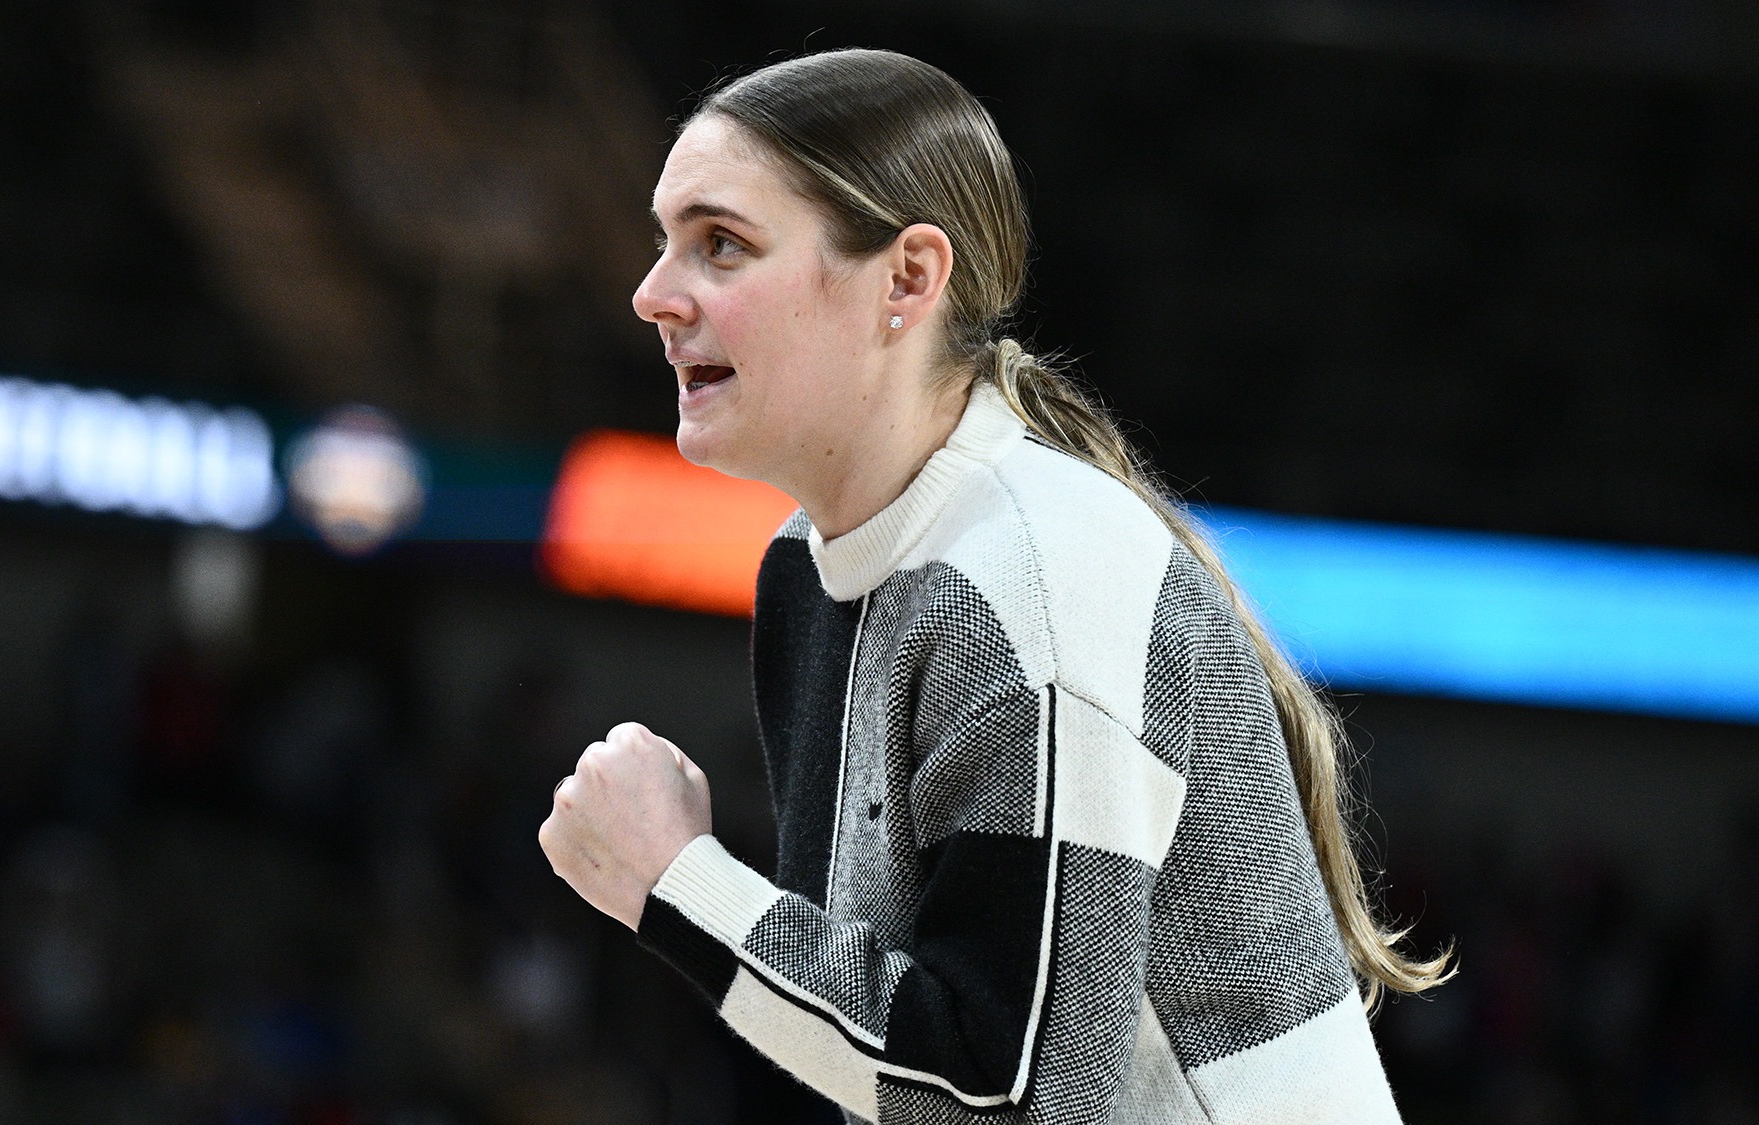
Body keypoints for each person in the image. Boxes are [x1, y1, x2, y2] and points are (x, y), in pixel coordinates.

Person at [536, 47, 1451, 1124]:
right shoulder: (810, 568)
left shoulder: (1038, 575)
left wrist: (680, 881)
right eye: (665, 243)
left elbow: (1010, 1100)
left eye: (720, 245)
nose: (652, 294)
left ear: (908, 280)